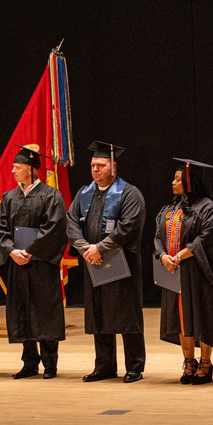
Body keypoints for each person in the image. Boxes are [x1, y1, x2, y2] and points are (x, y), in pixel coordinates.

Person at [67, 141, 147, 383]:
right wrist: (84, 248)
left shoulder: (129, 193)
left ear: (114, 166)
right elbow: (71, 223)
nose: (95, 170)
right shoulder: (84, 192)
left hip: (122, 262)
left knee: (126, 313)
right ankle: (104, 366)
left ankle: (134, 365)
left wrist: (100, 247)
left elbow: (128, 227)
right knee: (98, 312)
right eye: (92, 165)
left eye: (100, 165)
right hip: (93, 262)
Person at [0, 145, 69, 380]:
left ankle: (49, 363)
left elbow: (54, 228)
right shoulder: (9, 197)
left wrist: (29, 250)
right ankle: (29, 362)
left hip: (41, 263)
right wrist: (12, 251)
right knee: (22, 311)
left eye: (17, 167)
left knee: (44, 311)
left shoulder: (50, 195)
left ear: (30, 169)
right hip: (18, 262)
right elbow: (0, 229)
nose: (13, 171)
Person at [154, 158, 213, 385]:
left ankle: (205, 362)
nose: (173, 183)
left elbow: (207, 238)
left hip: (198, 273)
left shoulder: (208, 208)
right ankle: (189, 361)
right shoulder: (170, 208)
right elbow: (157, 237)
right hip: (174, 271)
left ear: (189, 181)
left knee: (202, 314)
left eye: (178, 179)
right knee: (181, 317)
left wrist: (180, 255)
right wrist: (163, 256)